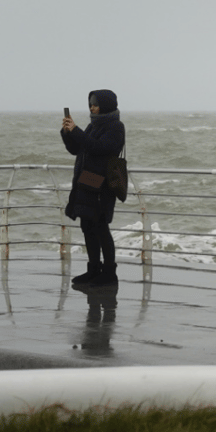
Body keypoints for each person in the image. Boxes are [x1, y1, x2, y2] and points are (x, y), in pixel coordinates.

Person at [61, 90, 126, 287]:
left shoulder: (116, 127)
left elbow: (99, 148)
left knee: (100, 227)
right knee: (87, 226)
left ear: (105, 105)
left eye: (95, 104)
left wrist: (77, 130)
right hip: (87, 180)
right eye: (90, 103)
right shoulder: (93, 124)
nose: (92, 107)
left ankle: (109, 273)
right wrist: (67, 132)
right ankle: (93, 270)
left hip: (103, 184)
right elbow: (76, 149)